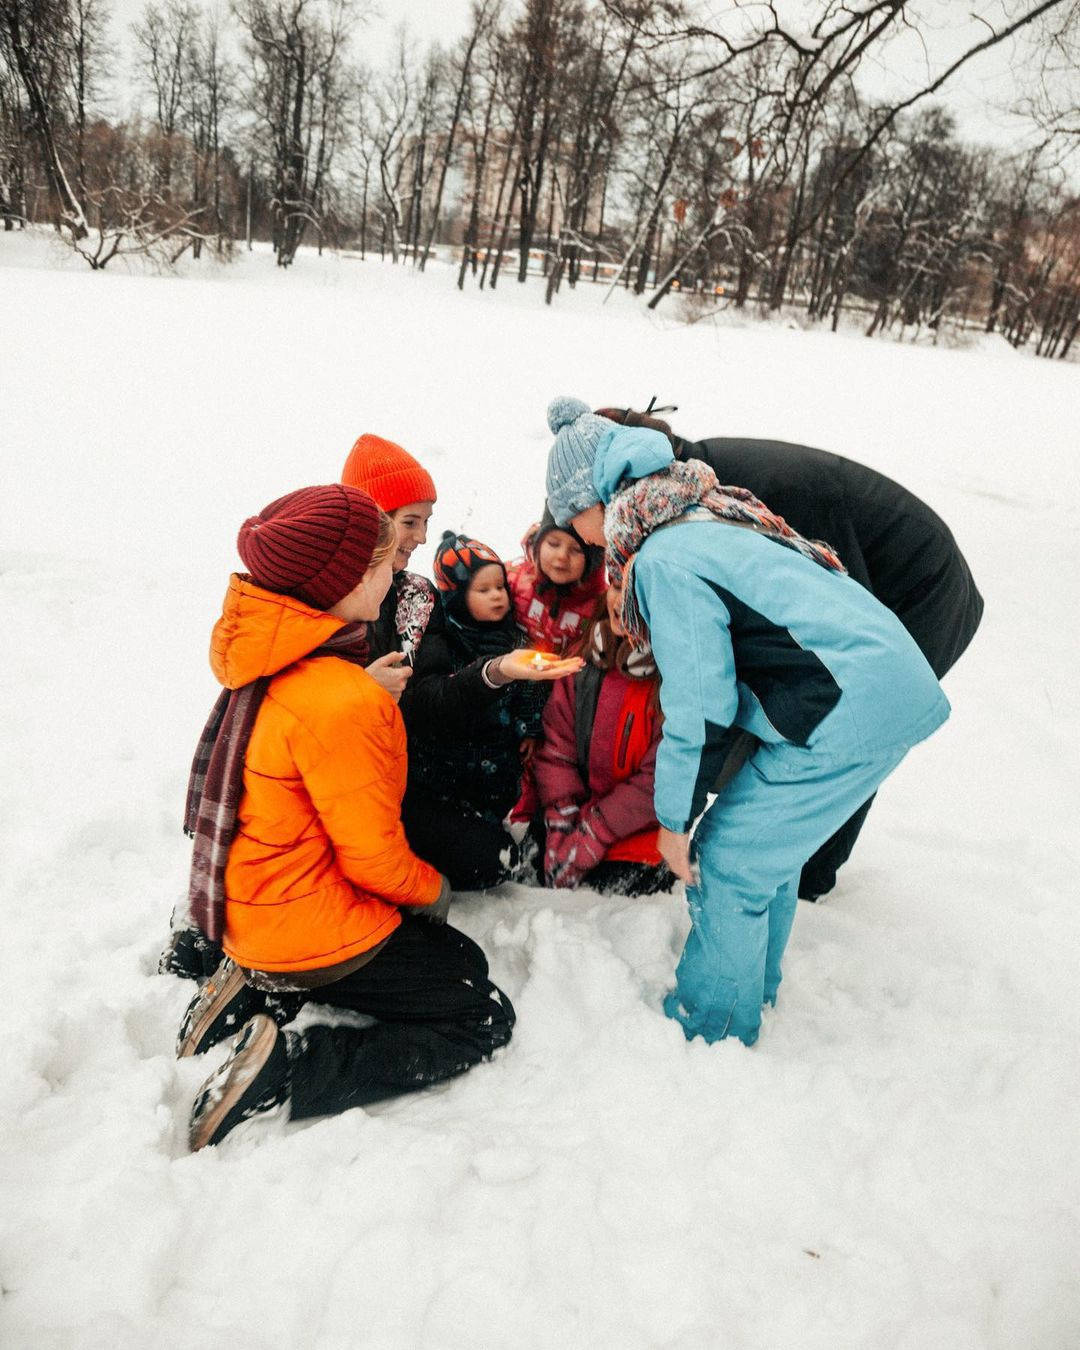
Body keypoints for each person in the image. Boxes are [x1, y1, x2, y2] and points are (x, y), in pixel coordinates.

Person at [544, 396, 950, 1047]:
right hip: (880, 682)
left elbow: (701, 702)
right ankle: (751, 987)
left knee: (728, 860)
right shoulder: (705, 507)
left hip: (846, 704)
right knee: (765, 848)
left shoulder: (663, 556)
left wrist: (672, 820)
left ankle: (713, 1027)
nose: (583, 538)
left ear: (599, 497)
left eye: (574, 518)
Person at [176, 484, 516, 1149]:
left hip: (252, 901)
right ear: (343, 579)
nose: (395, 573)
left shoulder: (276, 654)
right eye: (382, 562)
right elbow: (372, 858)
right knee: (478, 1006)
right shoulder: (341, 696)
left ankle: (253, 987)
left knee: (447, 957)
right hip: (297, 922)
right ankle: (287, 1072)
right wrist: (434, 890)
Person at [593, 404, 983, 900]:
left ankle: (806, 875)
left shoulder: (760, 489)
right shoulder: (684, 488)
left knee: (848, 726)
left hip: (921, 587)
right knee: (805, 718)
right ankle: (774, 857)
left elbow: (834, 599)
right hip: (880, 576)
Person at [405, 531, 582, 887]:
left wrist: (531, 729)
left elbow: (530, 688)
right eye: (483, 591)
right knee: (490, 861)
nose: (497, 596)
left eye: (500, 587)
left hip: (494, 772)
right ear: (455, 596)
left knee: (498, 841)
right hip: (444, 779)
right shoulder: (445, 641)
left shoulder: (512, 637)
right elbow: (435, 703)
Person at [533, 586, 675, 897]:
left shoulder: (674, 685)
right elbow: (557, 747)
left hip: (638, 827)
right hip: (579, 814)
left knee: (612, 890)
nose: (622, 600)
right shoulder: (580, 662)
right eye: (617, 585)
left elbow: (658, 781)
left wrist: (597, 829)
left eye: (639, 591)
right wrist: (561, 817)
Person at [506, 510, 607, 656]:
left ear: (593, 562)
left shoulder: (600, 606)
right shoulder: (512, 579)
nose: (562, 556)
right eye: (553, 544)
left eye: (576, 550)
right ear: (538, 545)